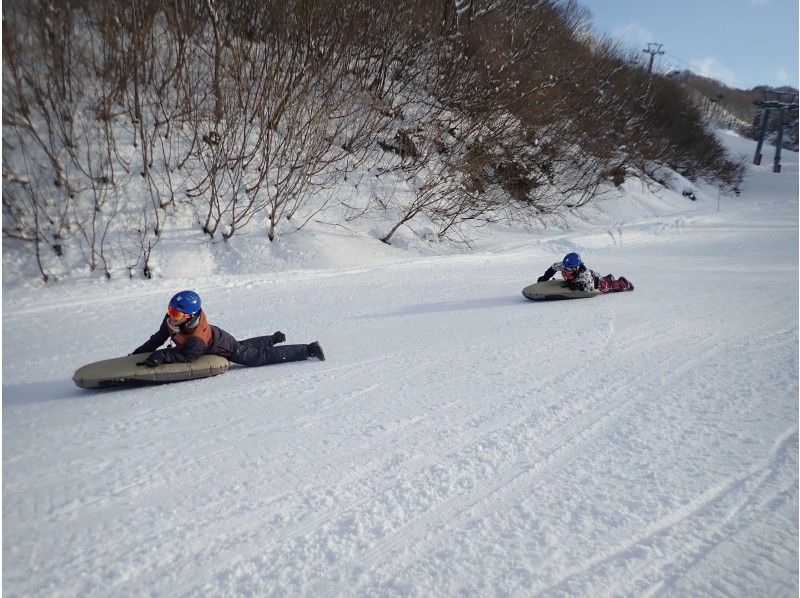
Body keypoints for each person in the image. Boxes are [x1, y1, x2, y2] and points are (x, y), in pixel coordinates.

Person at [132, 290, 325, 368]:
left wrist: (162, 356)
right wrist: (139, 353)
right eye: (170, 310)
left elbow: (188, 356)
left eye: (177, 313)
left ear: (189, 316)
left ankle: (308, 349)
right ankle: (271, 339)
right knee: (244, 346)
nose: (171, 316)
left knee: (257, 357)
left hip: (223, 345)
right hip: (218, 338)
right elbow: (158, 338)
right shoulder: (172, 321)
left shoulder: (197, 338)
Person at [537, 252, 634, 293]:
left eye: (569, 269)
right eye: (564, 267)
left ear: (576, 268)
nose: (566, 270)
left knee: (607, 287)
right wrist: (545, 277)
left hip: (595, 281)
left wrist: (578, 286)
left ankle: (623, 283)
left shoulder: (584, 275)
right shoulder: (563, 265)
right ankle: (609, 277)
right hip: (579, 280)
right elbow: (553, 268)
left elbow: (590, 289)